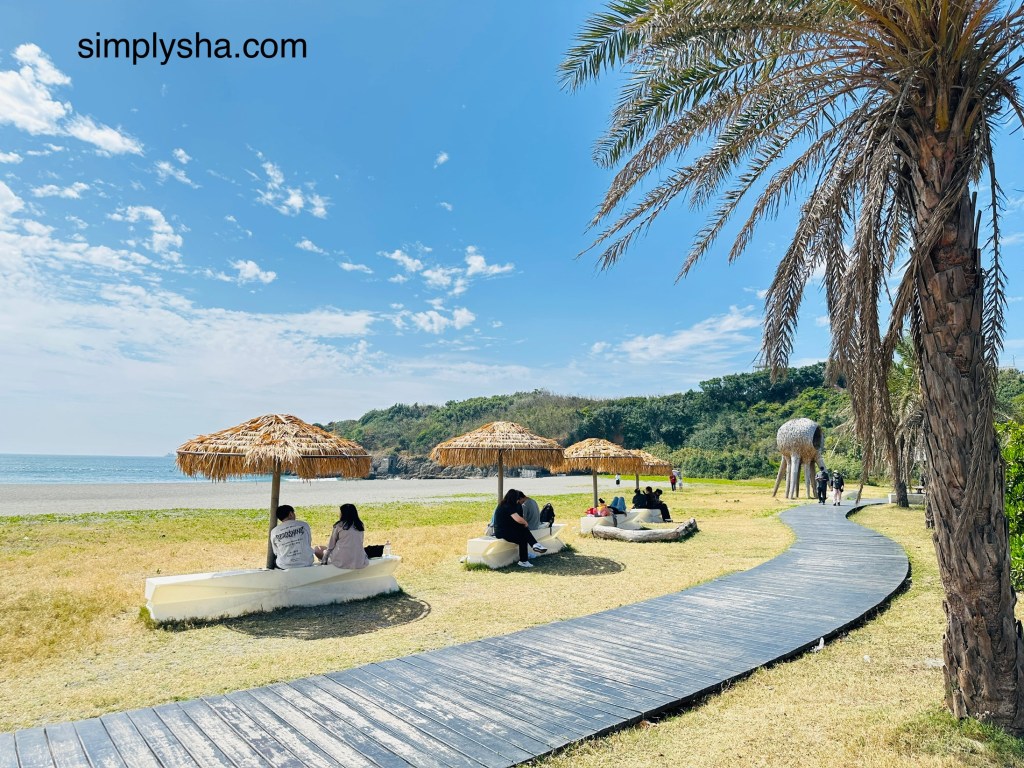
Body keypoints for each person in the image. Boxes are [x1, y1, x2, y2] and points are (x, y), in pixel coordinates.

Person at [493, 488, 547, 568]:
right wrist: (525, 523)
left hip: (510, 529)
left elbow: (519, 519)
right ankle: (532, 549)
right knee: (523, 537)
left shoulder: (515, 505)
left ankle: (529, 552)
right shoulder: (506, 506)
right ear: (514, 498)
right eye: (518, 499)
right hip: (502, 532)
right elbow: (518, 519)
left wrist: (523, 525)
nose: (519, 501)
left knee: (523, 534)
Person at [317, 503, 369, 570]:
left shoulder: (339, 526)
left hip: (341, 561)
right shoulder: (360, 525)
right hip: (359, 559)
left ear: (343, 514)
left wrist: (324, 559)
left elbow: (331, 545)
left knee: (317, 549)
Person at [269, 504, 315, 569]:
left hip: (284, 565)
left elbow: (276, 551)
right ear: (291, 514)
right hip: (306, 562)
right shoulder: (304, 525)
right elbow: (308, 543)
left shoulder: (274, 531)